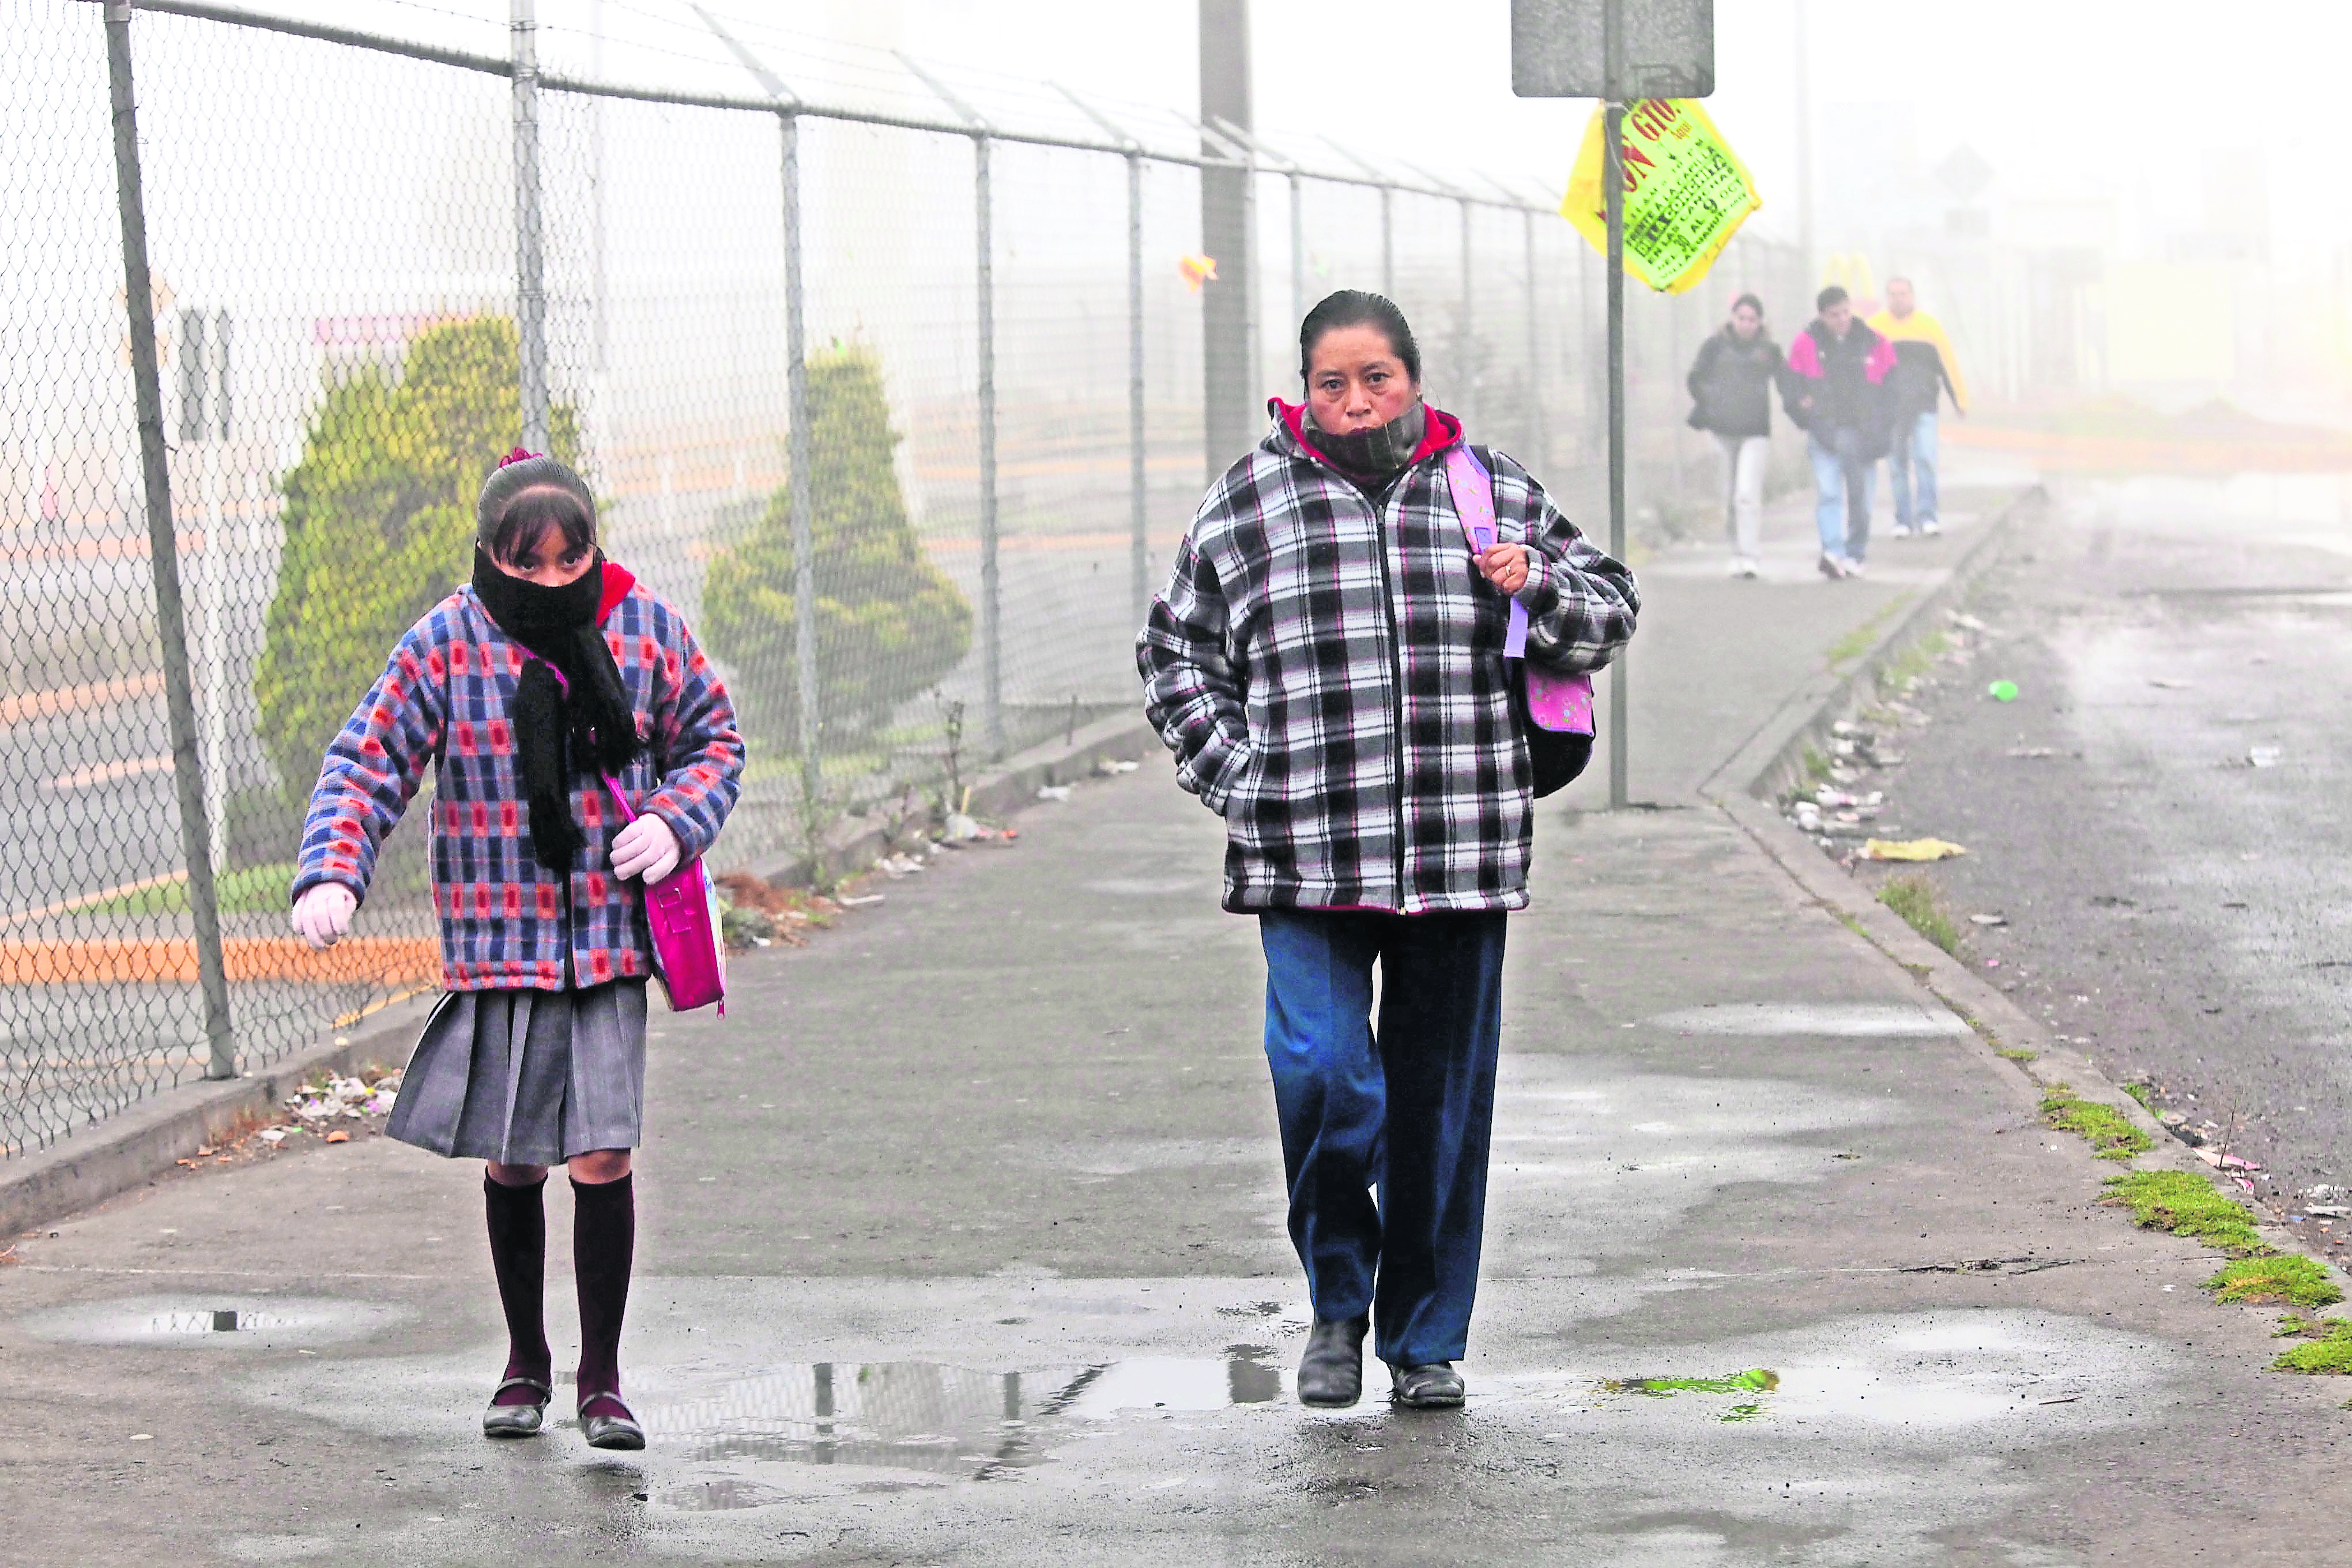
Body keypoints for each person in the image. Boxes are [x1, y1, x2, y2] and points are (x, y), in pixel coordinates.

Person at [1137, 291, 1638, 1411]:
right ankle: (1338, 1300)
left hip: (1460, 852)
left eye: (1379, 377)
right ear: (1302, 388)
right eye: (1333, 382)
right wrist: (1238, 773)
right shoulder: (1251, 500)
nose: (1357, 401)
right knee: (1320, 1074)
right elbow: (1176, 649)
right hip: (1306, 856)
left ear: (1414, 377)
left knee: (1438, 1113)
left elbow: (1611, 610)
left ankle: (1423, 1340)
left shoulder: (1489, 488)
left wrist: (1539, 585)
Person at [289, 450, 744, 1450]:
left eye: (567, 558)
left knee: (604, 1149)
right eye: (525, 562)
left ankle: (603, 1380)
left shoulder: (641, 625)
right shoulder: (447, 642)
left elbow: (714, 738)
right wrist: (332, 869)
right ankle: (524, 1362)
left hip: (608, 943)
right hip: (498, 939)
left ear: (592, 548)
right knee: (511, 1158)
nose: (549, 580)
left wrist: (674, 820)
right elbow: (369, 759)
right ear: (491, 554)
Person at [1784, 284, 1897, 579]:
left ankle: (1855, 553)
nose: (1842, 319)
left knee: (1863, 500)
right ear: (1822, 315)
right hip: (1825, 434)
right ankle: (1832, 551)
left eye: (1846, 312)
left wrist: (1884, 428)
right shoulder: (1806, 344)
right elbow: (1791, 386)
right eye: (1835, 315)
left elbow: (1891, 389)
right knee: (1830, 493)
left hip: (1864, 437)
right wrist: (1803, 413)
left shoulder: (1874, 343)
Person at [1684, 291, 1785, 578]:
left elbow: (1788, 381)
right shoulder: (1714, 347)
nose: (1746, 324)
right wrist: (1712, 401)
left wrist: (1804, 405)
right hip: (1723, 430)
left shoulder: (1769, 350)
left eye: (1752, 319)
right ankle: (1736, 551)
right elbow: (1696, 378)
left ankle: (1750, 554)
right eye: (1742, 318)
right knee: (1729, 494)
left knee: (1746, 494)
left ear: (1760, 322)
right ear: (1733, 318)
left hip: (1755, 431)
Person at [1868, 277, 1967, 539]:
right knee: (1897, 464)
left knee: (1925, 459)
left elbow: (1947, 363)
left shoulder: (1929, 327)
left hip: (1924, 405)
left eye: (1903, 293)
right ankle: (1903, 520)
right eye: (1893, 294)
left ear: (1912, 296)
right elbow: (1867, 369)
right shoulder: (1876, 328)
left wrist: (1959, 398)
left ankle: (1928, 517)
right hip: (1892, 409)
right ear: (1887, 298)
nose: (1898, 299)